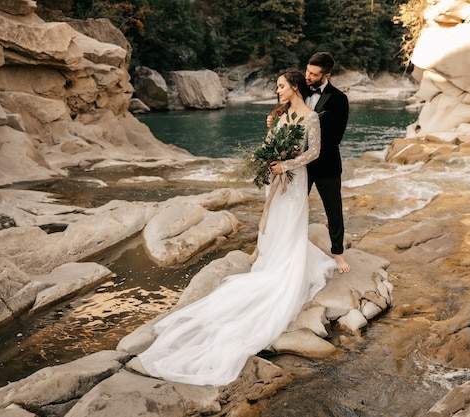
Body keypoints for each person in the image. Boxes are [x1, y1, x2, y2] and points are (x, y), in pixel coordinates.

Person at [137, 68, 337, 387]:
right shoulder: (279, 115)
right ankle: (273, 262)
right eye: (276, 86)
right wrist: (269, 146)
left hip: (295, 181)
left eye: (281, 86)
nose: (277, 91)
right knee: (273, 225)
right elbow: (269, 145)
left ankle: (285, 268)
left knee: (288, 225)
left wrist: (285, 164)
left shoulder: (311, 119)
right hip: (277, 180)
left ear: (296, 88)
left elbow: (314, 153)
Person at [305, 52, 351, 274]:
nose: (308, 76)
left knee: (333, 211)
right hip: (299, 164)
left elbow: (334, 139)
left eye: (313, 74)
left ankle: (338, 254)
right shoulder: (300, 91)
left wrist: (309, 154)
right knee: (293, 206)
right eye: (307, 71)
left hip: (327, 165)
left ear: (327, 75)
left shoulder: (339, 99)